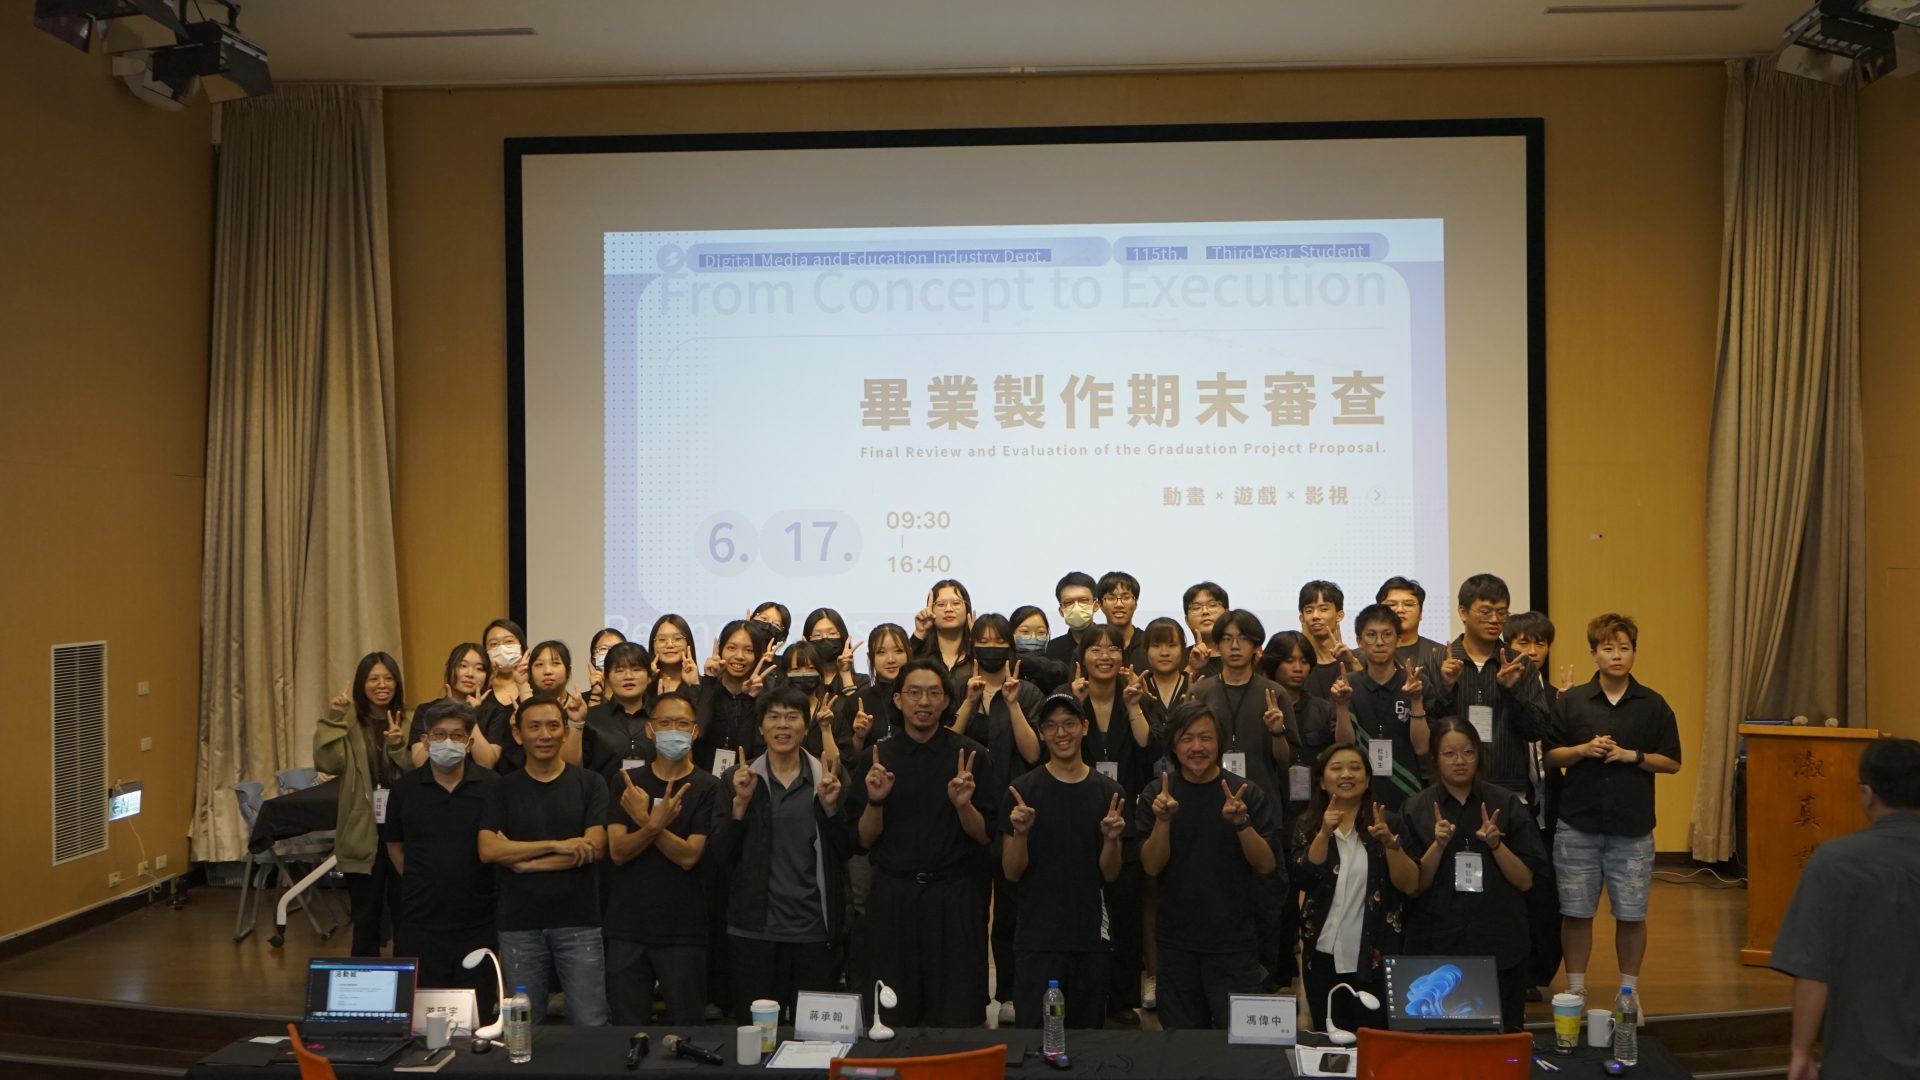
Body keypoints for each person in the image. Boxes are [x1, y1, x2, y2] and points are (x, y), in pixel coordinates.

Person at [845, 656, 1000, 1027]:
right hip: (894, 899)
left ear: (946, 700)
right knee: (891, 1017)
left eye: (933, 693)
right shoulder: (876, 759)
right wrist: (876, 801)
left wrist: (963, 806)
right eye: (914, 693)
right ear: (898, 700)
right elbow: (861, 841)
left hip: (955, 899)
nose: (924, 702)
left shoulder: (972, 757)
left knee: (958, 1016)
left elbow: (986, 836)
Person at [1542, 613, 1681, 1013]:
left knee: (1632, 914)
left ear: (1634, 652)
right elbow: (1550, 756)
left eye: (1624, 648)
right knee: (1575, 912)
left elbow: (1672, 762)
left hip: (1632, 828)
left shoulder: (1653, 704)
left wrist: (1631, 756)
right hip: (1577, 823)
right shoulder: (1572, 702)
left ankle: (1628, 992)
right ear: (1594, 653)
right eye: (1608, 648)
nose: (1617, 656)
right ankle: (1576, 989)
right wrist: (1583, 749)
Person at [1770, 737, 1920, 1080]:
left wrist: (1801, 1049)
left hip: (1861, 1059)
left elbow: (1813, 969)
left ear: (1866, 793)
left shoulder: (1835, 861)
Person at [1136, 701, 1282, 1029]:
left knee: (1240, 1043)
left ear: (1220, 742)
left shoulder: (1246, 794)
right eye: (1186, 738)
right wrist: (1163, 822)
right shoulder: (1157, 795)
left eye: (1205, 737)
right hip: (1176, 943)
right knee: (1182, 1043)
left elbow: (1266, 865)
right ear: (1174, 745)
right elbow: (1151, 867)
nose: (1197, 747)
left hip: (1235, 943)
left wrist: (1242, 823)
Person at [711, 686, 853, 1023]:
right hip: (754, 933)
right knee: (758, 1037)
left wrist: (831, 810)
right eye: (773, 717)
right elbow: (719, 855)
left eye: (792, 717)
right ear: (761, 728)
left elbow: (848, 849)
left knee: (813, 1037)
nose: (783, 725)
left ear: (806, 726)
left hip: (814, 932)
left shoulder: (829, 778)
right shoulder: (737, 779)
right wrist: (740, 805)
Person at [1401, 717, 1545, 1031]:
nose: (1460, 761)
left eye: (1468, 752)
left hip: (1499, 941)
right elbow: (1414, 886)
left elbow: (1525, 881)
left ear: (1479, 754)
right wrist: (1438, 845)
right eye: (1449, 753)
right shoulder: (1416, 808)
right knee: (1439, 1041)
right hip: (1436, 943)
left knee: (1501, 1039)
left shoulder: (1505, 803)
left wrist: (1496, 845)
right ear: (1435, 758)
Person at [477, 693, 610, 1026]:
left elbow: (595, 848)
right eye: (534, 727)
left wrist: (525, 862)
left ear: (565, 731)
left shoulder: (590, 783)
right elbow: (489, 850)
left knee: (590, 1021)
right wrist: (557, 845)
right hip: (519, 924)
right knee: (522, 1026)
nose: (544, 735)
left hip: (579, 922)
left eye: (553, 726)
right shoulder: (501, 789)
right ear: (518, 734)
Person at [1002, 694, 1128, 1029]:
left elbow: (1111, 874)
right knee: (1034, 1039)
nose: (1061, 733)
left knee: (1088, 1040)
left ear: (1084, 727)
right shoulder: (1022, 791)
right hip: (1037, 938)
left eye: (1069, 723)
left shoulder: (1110, 793)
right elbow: (1011, 871)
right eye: (1051, 726)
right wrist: (1021, 833)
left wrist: (1111, 839)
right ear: (1041, 733)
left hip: (1091, 937)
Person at [603, 689, 724, 1025]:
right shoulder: (627, 783)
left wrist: (645, 821)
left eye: (682, 724)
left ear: (695, 731)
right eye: (665, 723)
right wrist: (656, 824)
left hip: (683, 929)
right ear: (650, 729)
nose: (674, 730)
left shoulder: (708, 787)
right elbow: (618, 851)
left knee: (688, 1028)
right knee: (627, 1030)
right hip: (627, 926)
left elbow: (689, 856)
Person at [1187, 609, 1294, 986]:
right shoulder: (1201, 691)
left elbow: (1285, 762)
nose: (1235, 646)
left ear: (1256, 647)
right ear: (1216, 646)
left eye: (1243, 639)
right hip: (1210, 810)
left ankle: (1264, 981)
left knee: (1264, 901)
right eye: (1227, 639)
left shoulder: (1274, 692)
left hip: (1263, 811)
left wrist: (1278, 732)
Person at [952, 614, 1043, 1024]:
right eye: (982, 641)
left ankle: (1009, 992)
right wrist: (969, 701)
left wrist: (1012, 702)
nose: (990, 647)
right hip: (966, 812)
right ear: (972, 646)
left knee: (1010, 911)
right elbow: (945, 742)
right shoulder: (958, 685)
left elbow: (1033, 752)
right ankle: (968, 993)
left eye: (998, 640)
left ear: (1009, 645)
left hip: (1011, 810)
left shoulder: (1027, 690)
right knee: (967, 912)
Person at [1068, 624, 1160, 1025]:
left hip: (1127, 820)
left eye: (1112, 649)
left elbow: (1150, 749)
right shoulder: (1070, 698)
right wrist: (1075, 705)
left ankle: (1122, 999)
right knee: (1081, 910)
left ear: (1123, 657)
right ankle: (1082, 995)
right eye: (1095, 649)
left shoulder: (1136, 696)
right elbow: (1059, 748)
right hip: (1079, 818)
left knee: (1124, 913)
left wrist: (1135, 705)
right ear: (1081, 657)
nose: (1104, 656)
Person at [1292, 744, 1417, 1035]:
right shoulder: (1308, 824)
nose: (1346, 774)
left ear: (1368, 779)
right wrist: (1324, 833)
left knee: (1373, 1042)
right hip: (1322, 955)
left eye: (1355, 768)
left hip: (1375, 958)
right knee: (1328, 1040)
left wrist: (1391, 845)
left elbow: (1410, 885)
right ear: (1322, 781)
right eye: (1336, 768)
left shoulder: (1388, 823)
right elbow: (1302, 879)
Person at [384, 700, 499, 1014]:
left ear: (469, 743)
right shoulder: (405, 789)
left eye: (457, 735)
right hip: (420, 922)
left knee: (477, 1016)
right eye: (439, 734)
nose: (448, 741)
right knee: (422, 1016)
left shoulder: (492, 787)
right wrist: (421, 881)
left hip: (478, 922)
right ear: (425, 741)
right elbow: (394, 846)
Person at [314, 651, 414, 957]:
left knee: (406, 916)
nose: (382, 685)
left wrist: (397, 745)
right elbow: (328, 763)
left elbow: (419, 770)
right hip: (362, 828)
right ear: (361, 684)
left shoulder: (411, 719)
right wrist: (334, 718)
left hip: (403, 827)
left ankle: (407, 980)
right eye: (374, 679)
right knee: (365, 917)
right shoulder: (348, 723)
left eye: (388, 678)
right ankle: (365, 980)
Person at [1439, 574, 1550, 804]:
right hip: (1450, 788)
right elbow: (1428, 729)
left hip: (1508, 788)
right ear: (1463, 612)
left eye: (1501, 612)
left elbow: (1537, 729)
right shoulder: (1439, 661)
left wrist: (1511, 691)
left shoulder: (1519, 663)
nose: (1494, 620)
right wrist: (1446, 688)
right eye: (1486, 611)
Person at [1504, 609, 1569, 999]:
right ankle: (1512, 971)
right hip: (1513, 806)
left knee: (1546, 897)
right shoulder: (1500, 688)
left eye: (1539, 643)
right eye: (1523, 642)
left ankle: (1537, 973)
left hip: (1550, 809)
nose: (1531, 650)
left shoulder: (1559, 696)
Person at [1344, 604, 1435, 807]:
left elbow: (1423, 748)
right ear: (1359, 641)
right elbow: (1343, 744)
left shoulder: (1417, 683)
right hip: (1361, 792)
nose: (1379, 642)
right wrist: (1341, 705)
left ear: (1399, 640)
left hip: (1409, 791)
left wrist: (1416, 700)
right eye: (1371, 635)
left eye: (1387, 634)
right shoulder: (1348, 685)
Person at [695, 619, 775, 772]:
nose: (739, 656)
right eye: (731, 648)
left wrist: (749, 699)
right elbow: (698, 732)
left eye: (748, 650)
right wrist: (710, 681)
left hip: (747, 778)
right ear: (720, 651)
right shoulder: (703, 688)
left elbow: (753, 747)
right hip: (704, 779)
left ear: (758, 656)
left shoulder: (765, 698)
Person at [407, 643, 499, 768]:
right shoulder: (425, 710)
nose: (470, 674)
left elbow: (486, 764)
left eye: (479, 668)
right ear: (448, 668)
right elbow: (420, 762)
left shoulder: (495, 712)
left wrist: (468, 714)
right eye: (463, 666)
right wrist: (446, 711)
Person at [580, 640, 653, 788]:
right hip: (603, 799)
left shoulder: (660, 718)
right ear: (606, 678)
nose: (628, 676)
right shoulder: (591, 718)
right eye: (619, 670)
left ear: (649, 676)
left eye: (636, 669)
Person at [1376, 576, 1448, 693]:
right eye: (1391, 605)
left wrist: (1448, 683)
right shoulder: (1362, 656)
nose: (1400, 610)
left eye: (1408, 604)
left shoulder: (1440, 655)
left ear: (1421, 613)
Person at [477, 619, 531, 772]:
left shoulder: (533, 686)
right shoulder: (478, 690)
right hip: (486, 774)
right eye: (493, 644)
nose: (501, 648)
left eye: (508, 642)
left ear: (521, 646)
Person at [1298, 580, 1359, 700]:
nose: (1315, 616)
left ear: (1339, 615)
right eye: (1309, 611)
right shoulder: (1297, 665)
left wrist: (1351, 661)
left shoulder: (1357, 658)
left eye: (1324, 609)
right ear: (1302, 618)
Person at [912, 578, 974, 671]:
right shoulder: (918, 655)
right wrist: (919, 633)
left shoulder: (977, 654)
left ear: (967, 609)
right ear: (930, 610)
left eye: (956, 603)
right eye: (941, 604)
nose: (949, 609)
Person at [1095, 570, 1149, 673]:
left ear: (1135, 603)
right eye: (1111, 598)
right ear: (1100, 605)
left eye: (1126, 597)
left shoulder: (1148, 643)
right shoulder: (1091, 644)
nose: (1119, 604)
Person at [1009, 604, 1070, 694]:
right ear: (1010, 633)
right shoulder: (1005, 664)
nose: (1033, 637)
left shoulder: (1056, 664)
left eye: (1041, 632)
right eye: (1025, 631)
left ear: (1048, 635)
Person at [1046, 571, 1098, 666]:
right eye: (1068, 602)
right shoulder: (1051, 649)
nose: (1076, 607)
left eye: (1083, 600)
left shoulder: (1111, 643)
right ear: (1061, 611)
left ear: (1096, 606)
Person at [1180, 581, 1230, 679]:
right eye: (1196, 607)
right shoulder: (1176, 659)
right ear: (1187, 620)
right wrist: (1191, 668)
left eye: (1212, 605)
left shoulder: (1243, 654)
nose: (1205, 611)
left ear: (1227, 614)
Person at [1143, 617, 1193, 711]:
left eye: (1172, 645)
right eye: (1156, 646)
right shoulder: (1138, 688)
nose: (1164, 653)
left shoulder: (1196, 687)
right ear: (1146, 650)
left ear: (1182, 649)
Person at [648, 614, 702, 699]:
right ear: (653, 646)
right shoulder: (644, 685)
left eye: (677, 638)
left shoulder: (704, 686)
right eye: (662, 639)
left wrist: (694, 686)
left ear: (688, 643)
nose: (670, 645)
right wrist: (645, 682)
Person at [584, 627, 626, 705]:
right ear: (593, 658)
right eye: (604, 648)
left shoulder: (635, 698)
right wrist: (595, 693)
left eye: (617, 648)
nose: (611, 653)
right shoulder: (581, 701)